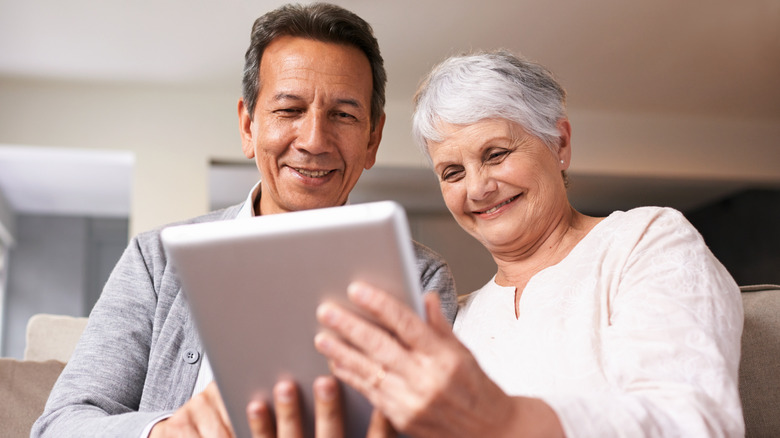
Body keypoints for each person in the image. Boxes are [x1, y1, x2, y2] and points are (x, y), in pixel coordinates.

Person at [31, 3, 457, 438]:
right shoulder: (156, 260)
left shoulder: (421, 278)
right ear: (248, 127)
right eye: (289, 110)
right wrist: (169, 432)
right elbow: (59, 425)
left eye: (344, 115)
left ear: (373, 139)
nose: (313, 140)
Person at [305, 50, 744, 437]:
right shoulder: (458, 318)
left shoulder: (645, 242)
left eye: (496, 154)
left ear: (560, 144)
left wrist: (503, 421)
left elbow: (693, 422)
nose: (477, 188)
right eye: (452, 172)